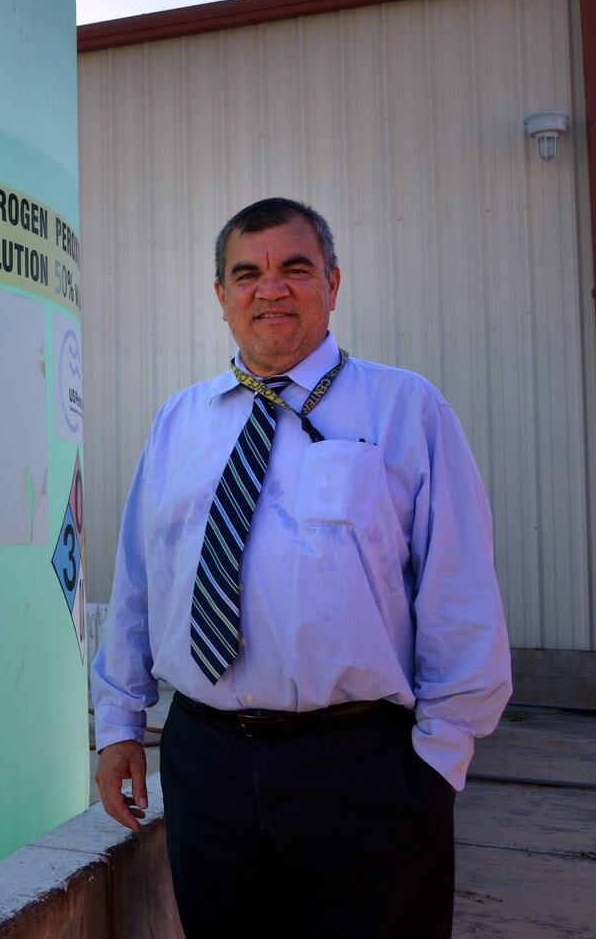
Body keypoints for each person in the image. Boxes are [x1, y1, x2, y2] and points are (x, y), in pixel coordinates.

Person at [90, 198, 511, 937]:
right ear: (220, 296)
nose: (270, 288)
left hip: (364, 768)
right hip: (205, 763)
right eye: (245, 273)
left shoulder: (405, 409)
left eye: (294, 268)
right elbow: (138, 581)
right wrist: (118, 722)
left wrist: (438, 762)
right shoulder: (178, 422)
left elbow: (458, 592)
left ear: (332, 283)